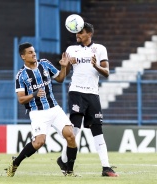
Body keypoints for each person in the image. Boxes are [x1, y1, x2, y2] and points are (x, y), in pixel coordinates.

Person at [6, 42, 78, 177]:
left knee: (71, 135)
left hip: (54, 108)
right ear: (23, 56)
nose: (34, 54)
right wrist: (34, 94)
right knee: (39, 142)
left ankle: (69, 171)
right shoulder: (21, 75)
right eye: (30, 52)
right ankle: (16, 163)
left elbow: (61, 79)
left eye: (34, 51)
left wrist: (64, 67)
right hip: (37, 112)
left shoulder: (44, 64)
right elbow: (21, 99)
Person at [56, 22, 119, 177]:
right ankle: (65, 160)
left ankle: (106, 167)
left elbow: (106, 72)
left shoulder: (100, 49)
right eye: (76, 33)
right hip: (76, 92)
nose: (77, 35)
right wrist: (66, 65)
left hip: (93, 94)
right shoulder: (71, 49)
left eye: (81, 33)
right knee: (74, 130)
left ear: (89, 33)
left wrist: (95, 66)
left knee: (97, 130)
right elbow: (66, 72)